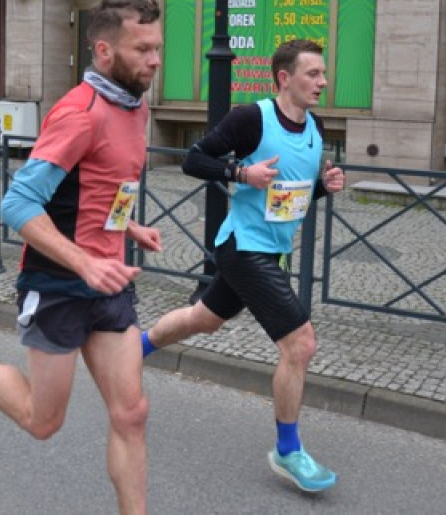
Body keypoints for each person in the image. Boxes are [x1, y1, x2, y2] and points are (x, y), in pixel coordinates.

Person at [0, 0, 163, 515]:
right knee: (43, 422)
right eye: (142, 49)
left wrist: (126, 225)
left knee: (131, 413)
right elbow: (17, 203)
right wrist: (86, 261)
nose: (155, 60)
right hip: (58, 287)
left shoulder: (137, 107)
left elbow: (96, 187)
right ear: (104, 51)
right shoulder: (80, 114)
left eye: (158, 48)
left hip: (109, 284)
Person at [141, 39, 345, 493]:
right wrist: (239, 173)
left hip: (271, 249)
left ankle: (134, 349)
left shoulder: (316, 126)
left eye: (323, 74)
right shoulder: (252, 118)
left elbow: (292, 194)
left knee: (204, 320)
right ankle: (288, 450)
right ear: (284, 78)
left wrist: (325, 187)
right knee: (300, 343)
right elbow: (195, 160)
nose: (323, 82)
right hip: (242, 246)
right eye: (313, 74)